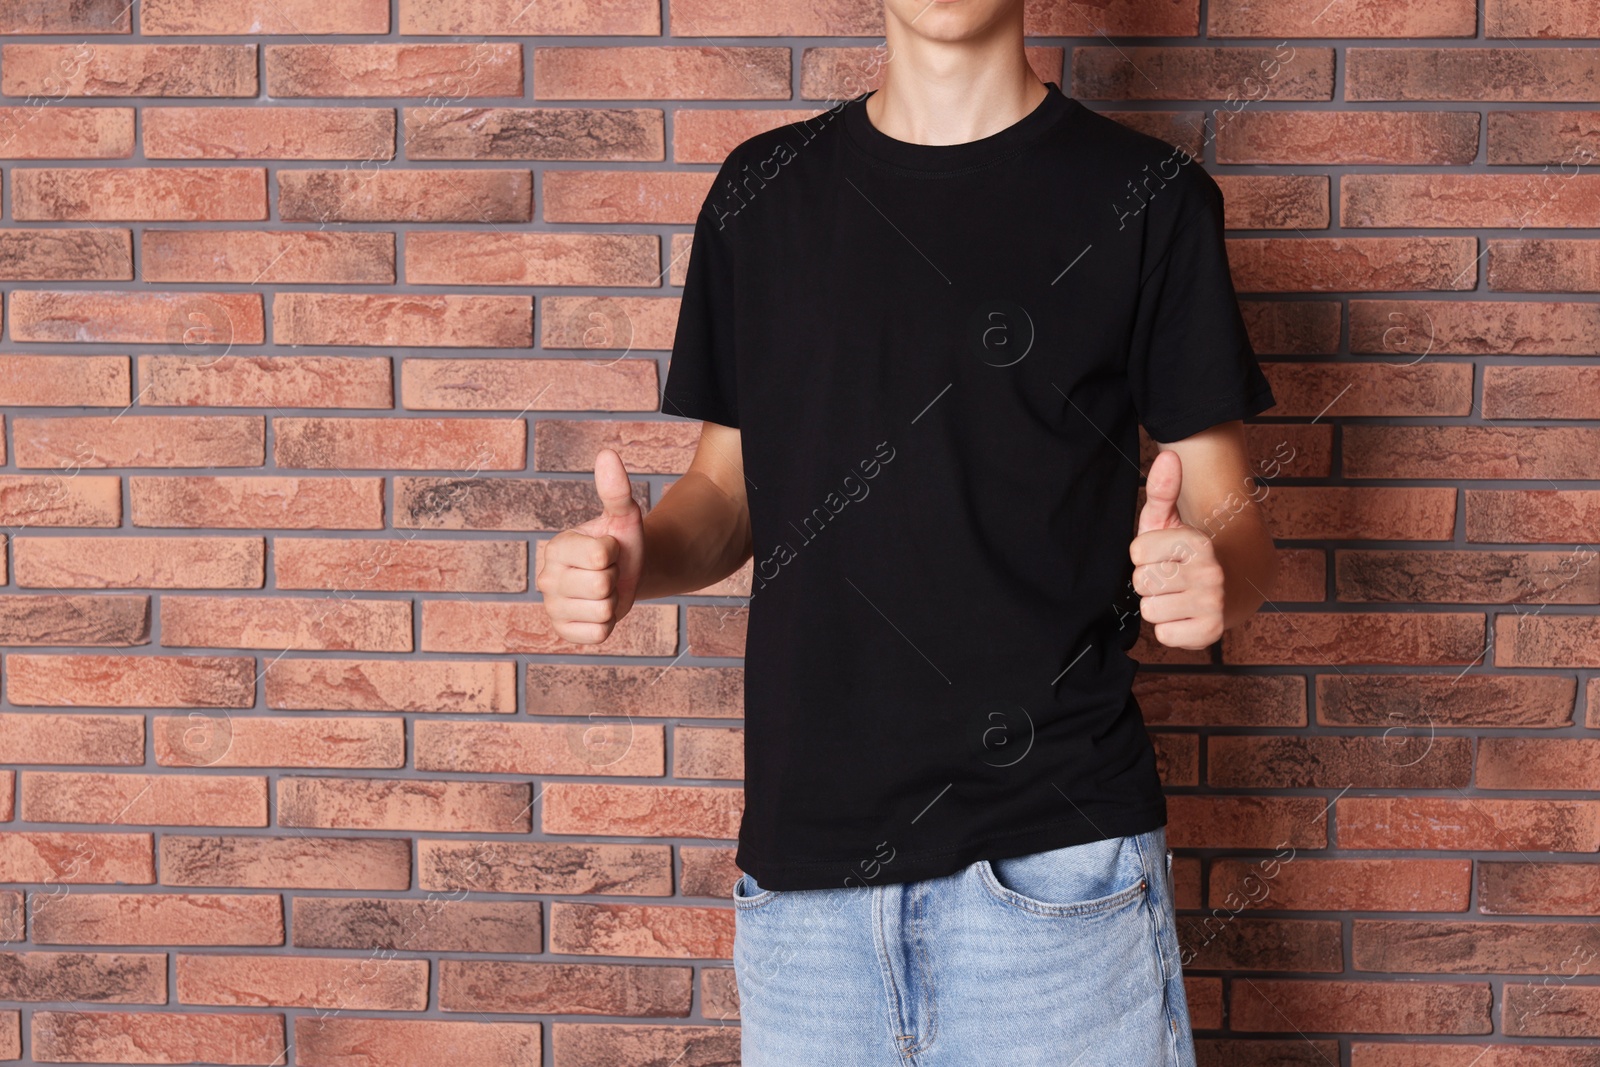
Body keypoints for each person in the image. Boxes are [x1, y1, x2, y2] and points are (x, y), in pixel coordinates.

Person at [534, 1, 1279, 1063]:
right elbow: (728, 494)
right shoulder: (762, 195)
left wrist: (1216, 582)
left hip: (1057, 872)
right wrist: (639, 556)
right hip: (806, 891)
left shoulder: (1149, 199)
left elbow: (1231, 521)